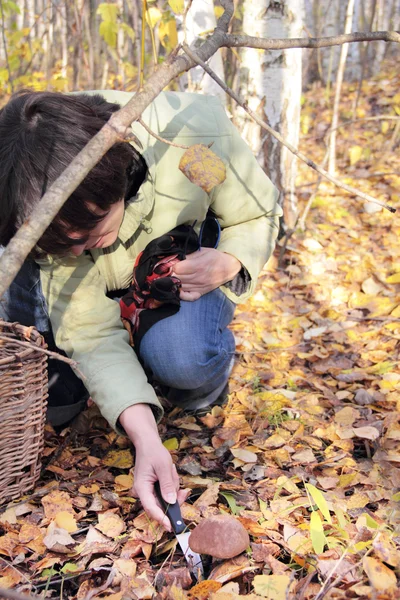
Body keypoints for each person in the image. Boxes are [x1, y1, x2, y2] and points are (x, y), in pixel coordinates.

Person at [0, 89, 282, 528]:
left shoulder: (192, 134)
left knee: (182, 360)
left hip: (177, 262)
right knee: (54, 402)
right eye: (66, 242)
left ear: (113, 176)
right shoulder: (33, 198)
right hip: (103, 288)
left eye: (90, 228)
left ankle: (197, 376)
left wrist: (231, 262)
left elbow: (259, 213)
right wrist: (145, 438)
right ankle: (112, 374)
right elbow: (90, 333)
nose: (81, 246)